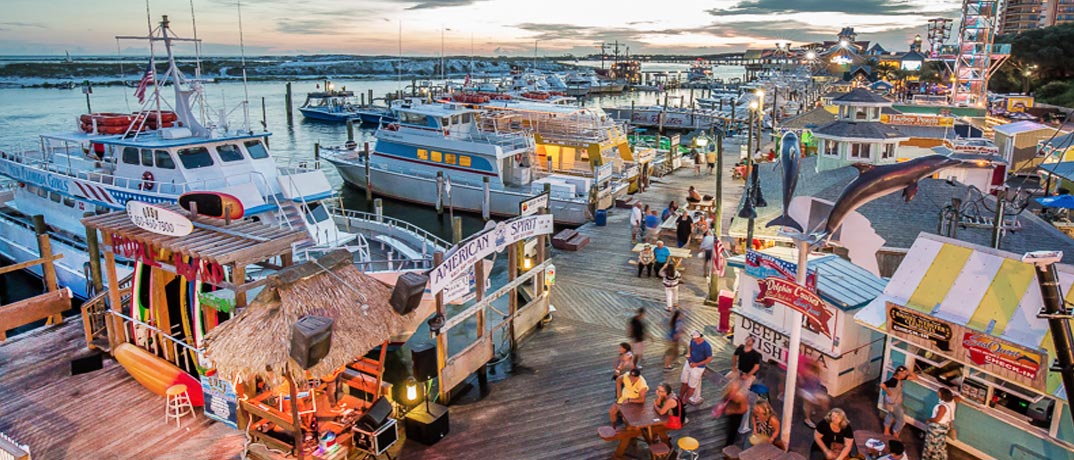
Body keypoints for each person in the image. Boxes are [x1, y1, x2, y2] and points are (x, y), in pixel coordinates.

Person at [923, 387, 958, 460]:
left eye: (939, 393)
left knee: (932, 445)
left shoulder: (942, 407)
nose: (937, 393)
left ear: (943, 395)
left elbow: (937, 419)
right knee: (940, 445)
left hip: (936, 429)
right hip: (944, 428)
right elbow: (958, 398)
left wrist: (928, 419)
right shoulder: (952, 401)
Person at [881, 365, 916, 437]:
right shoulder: (893, 381)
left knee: (890, 415)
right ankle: (895, 433)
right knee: (901, 420)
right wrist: (889, 392)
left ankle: (886, 431)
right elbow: (882, 385)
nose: (905, 375)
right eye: (904, 373)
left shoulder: (900, 379)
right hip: (894, 404)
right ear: (899, 373)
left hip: (891, 402)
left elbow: (915, 377)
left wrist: (908, 370)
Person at [680, 330, 712, 406]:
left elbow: (709, 359)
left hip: (698, 368)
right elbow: (690, 348)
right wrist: (689, 357)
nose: (694, 340)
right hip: (690, 363)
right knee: (684, 382)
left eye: (695, 338)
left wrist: (696, 364)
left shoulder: (706, 346)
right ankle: (680, 397)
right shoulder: (692, 341)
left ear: (700, 337)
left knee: (692, 386)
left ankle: (685, 401)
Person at [800, 354, 830, 429]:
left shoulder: (815, 373)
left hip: (814, 390)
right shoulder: (805, 373)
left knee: (824, 401)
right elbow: (802, 383)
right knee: (808, 403)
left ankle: (826, 418)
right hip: (806, 391)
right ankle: (807, 419)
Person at [720, 375, 750, 448]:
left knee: (732, 431)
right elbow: (725, 398)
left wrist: (732, 411)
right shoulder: (728, 392)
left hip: (736, 416)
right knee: (729, 428)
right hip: (730, 412)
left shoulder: (741, 397)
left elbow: (744, 409)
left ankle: (729, 445)